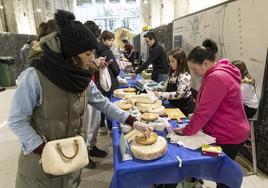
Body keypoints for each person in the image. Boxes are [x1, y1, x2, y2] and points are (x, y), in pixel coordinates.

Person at [8, 10, 152, 188]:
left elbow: (104, 104)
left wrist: (133, 121)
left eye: (93, 53)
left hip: (71, 162)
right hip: (39, 168)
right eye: (88, 54)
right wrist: (42, 149)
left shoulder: (82, 79)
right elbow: (16, 120)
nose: (92, 59)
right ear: (72, 54)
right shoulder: (35, 77)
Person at [174, 39, 250, 188]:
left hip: (229, 134)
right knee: (219, 172)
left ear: (206, 63)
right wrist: (194, 118)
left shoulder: (217, 77)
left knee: (222, 176)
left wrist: (187, 130)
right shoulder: (216, 73)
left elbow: (204, 111)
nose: (194, 73)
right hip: (227, 129)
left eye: (194, 69)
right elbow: (212, 106)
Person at [153, 48, 195, 116]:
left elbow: (179, 94)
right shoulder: (173, 73)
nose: (170, 64)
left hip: (184, 108)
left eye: (173, 61)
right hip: (174, 105)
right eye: (169, 61)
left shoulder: (184, 76)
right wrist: (159, 89)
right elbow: (168, 87)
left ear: (181, 61)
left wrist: (161, 94)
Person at [96, 30, 120, 135]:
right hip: (108, 83)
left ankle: (102, 127)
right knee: (109, 105)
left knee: (102, 104)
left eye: (112, 40)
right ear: (103, 40)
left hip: (99, 82)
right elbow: (116, 69)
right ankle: (110, 128)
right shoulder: (106, 51)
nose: (111, 43)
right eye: (110, 40)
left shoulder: (96, 50)